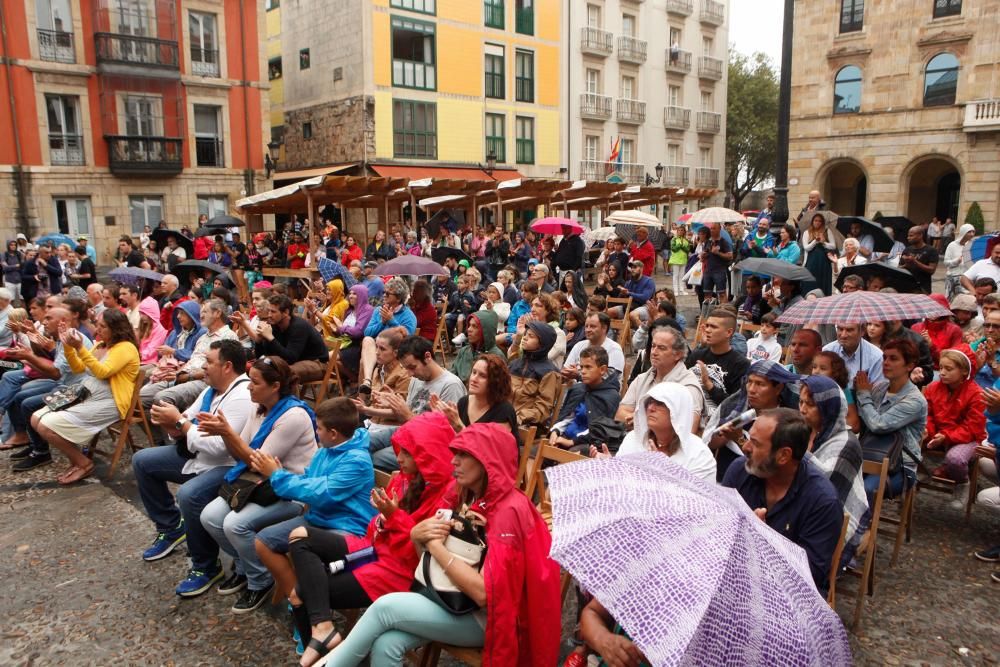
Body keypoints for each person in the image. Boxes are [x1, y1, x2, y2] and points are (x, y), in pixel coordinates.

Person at [316, 423, 560, 666]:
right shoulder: (468, 493)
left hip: (485, 618)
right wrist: (417, 537)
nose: (454, 461)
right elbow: (427, 558)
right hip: (450, 596)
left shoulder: (508, 511)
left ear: (488, 461)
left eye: (464, 455)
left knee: (385, 607)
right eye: (456, 453)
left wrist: (433, 545)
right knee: (386, 644)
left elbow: (484, 594)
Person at [288, 413, 456, 666]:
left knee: (299, 594)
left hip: (399, 570)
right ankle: (323, 630)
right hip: (373, 551)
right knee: (299, 537)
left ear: (427, 454)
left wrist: (392, 516)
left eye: (407, 453)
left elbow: (416, 553)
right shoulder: (403, 479)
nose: (398, 458)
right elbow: (373, 530)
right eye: (400, 450)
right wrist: (385, 518)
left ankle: (327, 647)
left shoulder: (445, 494)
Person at [195, 355, 321, 612]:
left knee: (235, 524)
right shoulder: (258, 407)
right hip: (260, 484)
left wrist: (227, 433)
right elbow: (239, 454)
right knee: (209, 516)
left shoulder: (293, 415)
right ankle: (245, 566)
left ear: (275, 386)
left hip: (291, 492)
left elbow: (256, 461)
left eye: (255, 382)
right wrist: (225, 433)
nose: (249, 387)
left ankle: (260, 579)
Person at [134, 341, 253, 594]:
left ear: (227, 366)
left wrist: (178, 423)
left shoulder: (241, 396)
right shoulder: (212, 391)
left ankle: (206, 566)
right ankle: (170, 527)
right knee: (142, 461)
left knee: (189, 495)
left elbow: (219, 447)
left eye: (209, 362)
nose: (203, 367)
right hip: (198, 457)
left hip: (226, 465)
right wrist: (171, 423)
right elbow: (188, 419)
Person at [251, 397, 379, 618]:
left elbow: (321, 493)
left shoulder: (357, 461)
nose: (315, 432)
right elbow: (310, 481)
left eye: (318, 428)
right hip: (320, 518)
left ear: (333, 433)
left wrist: (277, 475)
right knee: (264, 541)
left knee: (305, 550)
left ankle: (310, 613)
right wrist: (281, 476)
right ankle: (300, 602)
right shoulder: (325, 450)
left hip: (348, 527)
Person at [722, 408, 844, 593]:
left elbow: (809, 578)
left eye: (755, 443)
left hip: (788, 598)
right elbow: (719, 534)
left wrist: (762, 538)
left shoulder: (822, 501)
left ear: (783, 456)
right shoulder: (740, 471)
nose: (745, 447)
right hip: (736, 578)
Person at [31, 309, 139, 485]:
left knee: (45, 426)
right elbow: (78, 368)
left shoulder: (126, 348)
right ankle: (77, 460)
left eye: (103, 326)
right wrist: (68, 345)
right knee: (35, 419)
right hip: (86, 393)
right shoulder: (100, 345)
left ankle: (83, 463)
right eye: (97, 324)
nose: (97, 329)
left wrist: (80, 347)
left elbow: (102, 372)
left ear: (116, 328)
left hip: (111, 400)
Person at [368, 336, 466, 472]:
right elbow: (409, 413)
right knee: (362, 441)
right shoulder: (417, 379)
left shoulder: (450, 385)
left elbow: (445, 436)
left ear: (427, 357)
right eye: (406, 368)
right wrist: (393, 404)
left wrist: (407, 414)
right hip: (407, 432)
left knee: (375, 458)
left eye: (412, 367)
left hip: (426, 445)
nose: (409, 374)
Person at [798, 375, 868, 548]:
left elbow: (826, 490)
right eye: (801, 402)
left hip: (834, 519)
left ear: (829, 408)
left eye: (811, 404)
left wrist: (797, 452)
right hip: (803, 506)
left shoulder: (847, 444)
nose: (803, 409)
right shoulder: (804, 430)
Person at [705, 359, 801, 482]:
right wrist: (725, 434)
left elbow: (769, 465)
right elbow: (710, 443)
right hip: (723, 481)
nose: (751, 389)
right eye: (749, 382)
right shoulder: (733, 408)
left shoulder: (786, 423)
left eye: (760, 384)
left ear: (778, 388)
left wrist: (739, 439)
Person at [855, 339, 927, 501]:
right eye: (884, 358)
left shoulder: (915, 400)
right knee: (838, 479)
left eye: (893, 359)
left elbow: (878, 425)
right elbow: (864, 419)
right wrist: (857, 390)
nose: (886, 363)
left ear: (909, 366)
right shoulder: (880, 388)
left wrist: (863, 395)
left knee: (867, 489)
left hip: (899, 466)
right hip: (869, 455)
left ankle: (857, 526)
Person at [614, 382, 717, 481]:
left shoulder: (699, 454)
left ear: (678, 411)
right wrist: (611, 466)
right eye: (648, 403)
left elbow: (699, 496)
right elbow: (619, 483)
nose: (650, 408)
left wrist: (664, 472)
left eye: (660, 403)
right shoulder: (633, 439)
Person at [618, 325, 703, 432]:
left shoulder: (688, 386)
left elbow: (689, 428)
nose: (654, 352)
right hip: (636, 442)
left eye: (661, 348)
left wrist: (643, 422)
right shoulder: (642, 379)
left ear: (678, 354)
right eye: (653, 346)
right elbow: (620, 413)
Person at [923, 348, 985, 487]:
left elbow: (972, 428)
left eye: (949, 369)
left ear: (964, 371)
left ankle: (962, 484)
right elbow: (926, 415)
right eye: (940, 367)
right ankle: (908, 483)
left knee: (955, 459)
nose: (942, 373)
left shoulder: (976, 394)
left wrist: (945, 436)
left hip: (969, 439)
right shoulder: (933, 388)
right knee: (905, 442)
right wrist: (929, 432)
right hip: (938, 435)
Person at [241, 294, 329, 384]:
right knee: (258, 368)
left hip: (317, 363)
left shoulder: (298, 326)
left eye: (273, 312)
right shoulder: (274, 324)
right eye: (268, 311)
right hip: (297, 361)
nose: (269, 315)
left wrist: (271, 338)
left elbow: (291, 358)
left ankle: (286, 398)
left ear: (286, 312)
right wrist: (260, 340)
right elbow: (262, 355)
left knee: (284, 373)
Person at [549, 347, 621, 454]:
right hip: (566, 436)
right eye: (581, 367)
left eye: (588, 367)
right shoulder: (578, 389)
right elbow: (569, 417)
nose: (582, 371)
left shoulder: (610, 396)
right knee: (535, 454)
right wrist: (556, 431)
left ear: (602, 370)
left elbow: (600, 430)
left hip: (589, 444)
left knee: (569, 456)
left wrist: (571, 442)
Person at [686, 308, 750, 418]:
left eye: (714, 327)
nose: (707, 330)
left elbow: (735, 406)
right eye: (707, 325)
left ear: (729, 332)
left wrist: (709, 385)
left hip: (717, 420)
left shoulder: (740, 364)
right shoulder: (697, 355)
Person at [437, 355, 519, 441]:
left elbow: (490, 450)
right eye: (474, 372)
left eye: (482, 376)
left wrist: (460, 427)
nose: (474, 379)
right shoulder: (464, 402)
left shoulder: (504, 410)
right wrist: (441, 421)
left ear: (496, 381)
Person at [509, 321, 562, 429]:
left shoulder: (549, 372)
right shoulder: (514, 364)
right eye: (525, 334)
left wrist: (518, 417)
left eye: (531, 336)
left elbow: (543, 408)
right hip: (505, 417)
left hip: (527, 424)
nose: (525, 338)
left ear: (542, 343)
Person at [329, 284, 374, 381]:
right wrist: (336, 329)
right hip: (344, 343)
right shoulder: (349, 311)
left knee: (329, 358)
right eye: (350, 293)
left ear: (362, 295)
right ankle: (347, 381)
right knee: (323, 354)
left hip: (356, 346)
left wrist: (341, 327)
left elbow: (358, 331)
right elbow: (345, 331)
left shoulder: (367, 310)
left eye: (355, 294)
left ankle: (354, 380)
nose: (351, 296)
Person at [561, 312, 625, 380]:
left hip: (602, 390)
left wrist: (579, 375)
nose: (588, 330)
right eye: (586, 326)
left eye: (592, 326)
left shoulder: (614, 349)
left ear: (604, 328)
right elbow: (566, 369)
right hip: (575, 388)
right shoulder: (579, 345)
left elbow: (609, 378)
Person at [911, 293, 964, 369]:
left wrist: (932, 346)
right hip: (918, 370)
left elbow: (954, 359)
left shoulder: (954, 330)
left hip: (942, 370)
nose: (931, 311)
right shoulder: (916, 328)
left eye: (935, 308)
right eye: (928, 308)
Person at [450, 310, 502, 384]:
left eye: (474, 326)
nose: (469, 329)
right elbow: (452, 376)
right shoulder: (464, 351)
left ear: (485, 331)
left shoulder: (496, 357)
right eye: (469, 325)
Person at [801, 213, 837, 296]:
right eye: (815, 220)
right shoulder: (807, 232)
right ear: (812, 222)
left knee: (823, 282)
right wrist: (815, 241)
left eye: (820, 221)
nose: (817, 222)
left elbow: (833, 246)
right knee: (810, 282)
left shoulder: (827, 231)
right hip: (811, 261)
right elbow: (806, 247)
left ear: (822, 222)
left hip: (824, 262)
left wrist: (823, 242)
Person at [899, 225, 939, 294]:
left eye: (911, 236)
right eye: (908, 236)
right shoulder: (907, 250)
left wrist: (915, 261)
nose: (908, 238)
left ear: (920, 235)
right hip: (907, 287)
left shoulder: (931, 250)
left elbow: (932, 270)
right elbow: (899, 267)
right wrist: (906, 265)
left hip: (923, 289)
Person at [700, 223, 733, 302]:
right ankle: (706, 313)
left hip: (719, 271)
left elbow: (730, 256)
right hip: (708, 271)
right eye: (711, 228)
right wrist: (703, 256)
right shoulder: (708, 242)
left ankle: (723, 312)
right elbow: (704, 256)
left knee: (722, 293)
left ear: (719, 229)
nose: (712, 230)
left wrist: (718, 253)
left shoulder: (723, 242)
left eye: (714, 228)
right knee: (707, 294)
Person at [944, 223, 976, 299]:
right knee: (951, 300)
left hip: (966, 280)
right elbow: (946, 262)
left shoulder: (971, 246)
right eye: (969, 232)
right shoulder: (952, 245)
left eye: (973, 232)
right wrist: (956, 261)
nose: (972, 234)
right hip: (953, 278)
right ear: (963, 232)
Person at [668, 226, 691, 295]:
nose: (680, 232)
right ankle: (676, 290)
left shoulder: (686, 240)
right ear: (677, 231)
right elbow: (673, 248)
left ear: (684, 232)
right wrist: (679, 245)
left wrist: (682, 246)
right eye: (679, 230)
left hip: (683, 259)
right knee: (676, 275)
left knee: (682, 275)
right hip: (676, 259)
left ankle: (682, 290)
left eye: (682, 230)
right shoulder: (674, 239)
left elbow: (687, 250)